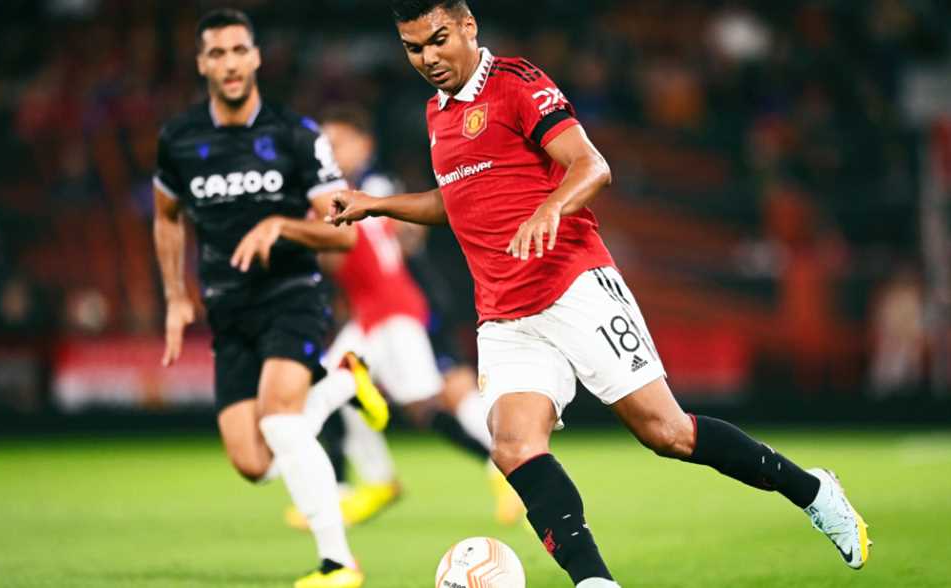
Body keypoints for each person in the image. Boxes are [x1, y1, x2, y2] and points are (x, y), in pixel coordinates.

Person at [327, 2, 873, 586]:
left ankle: (812, 491)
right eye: (414, 48)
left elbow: (591, 166)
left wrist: (550, 208)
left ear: (468, 27)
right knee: (512, 446)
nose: (428, 57)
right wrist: (376, 204)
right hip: (506, 314)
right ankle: (595, 581)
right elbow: (455, 201)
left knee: (666, 432)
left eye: (438, 39)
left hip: (574, 285)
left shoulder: (516, 82)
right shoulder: (437, 112)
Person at [152, 9, 388, 588]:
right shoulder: (179, 139)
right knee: (255, 464)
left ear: (256, 57)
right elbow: (166, 216)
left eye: (239, 50)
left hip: (291, 295)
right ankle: (342, 380)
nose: (230, 63)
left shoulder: (296, 134)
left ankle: (339, 563)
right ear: (202, 64)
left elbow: (344, 231)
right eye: (217, 53)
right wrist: (176, 295)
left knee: (282, 421)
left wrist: (281, 225)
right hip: (228, 309)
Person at [284, 106, 522, 530]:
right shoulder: (358, 190)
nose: (330, 153)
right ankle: (362, 485)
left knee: (424, 405)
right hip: (377, 314)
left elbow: (343, 252)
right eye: (324, 145)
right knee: (332, 388)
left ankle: (506, 466)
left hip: (394, 312)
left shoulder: (359, 191)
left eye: (337, 143)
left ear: (364, 144)